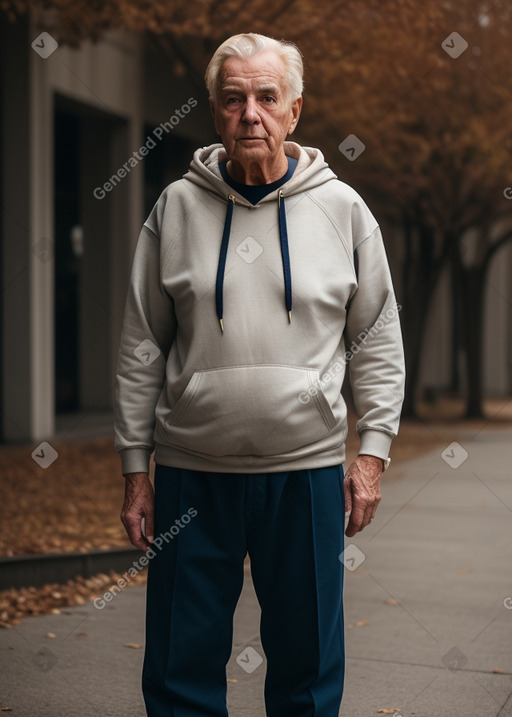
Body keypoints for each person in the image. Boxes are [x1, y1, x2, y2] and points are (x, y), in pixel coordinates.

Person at [115, 32, 405, 717]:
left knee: (306, 677)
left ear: (295, 110)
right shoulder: (174, 210)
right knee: (179, 672)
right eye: (234, 98)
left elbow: (378, 337)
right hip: (192, 474)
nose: (252, 113)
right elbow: (141, 344)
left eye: (267, 98)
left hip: (304, 477)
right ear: (215, 114)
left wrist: (372, 455)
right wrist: (136, 468)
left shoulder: (344, 211)